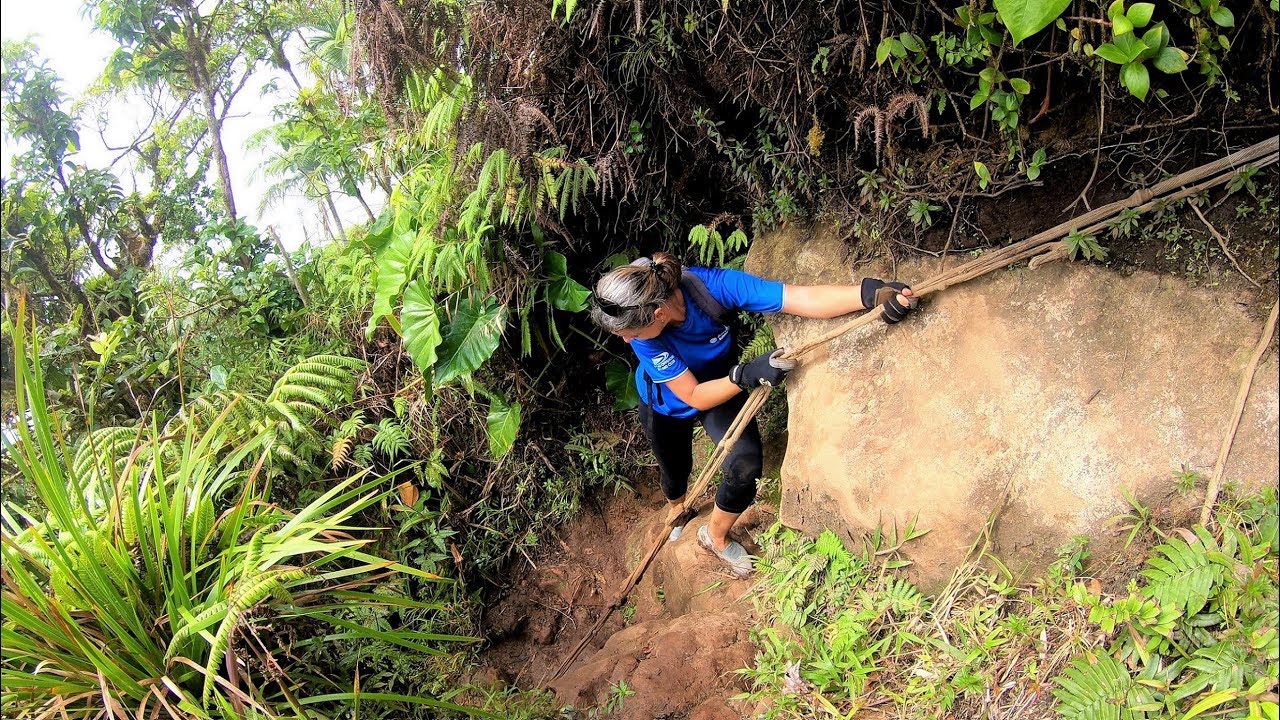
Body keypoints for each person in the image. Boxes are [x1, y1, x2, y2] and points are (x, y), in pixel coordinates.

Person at [589, 252, 916, 577]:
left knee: (745, 464)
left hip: (722, 389)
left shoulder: (711, 289)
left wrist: (870, 294)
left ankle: (714, 537)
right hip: (665, 405)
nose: (626, 340)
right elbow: (691, 395)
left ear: (659, 313)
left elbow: (795, 297)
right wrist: (743, 376)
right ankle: (678, 507)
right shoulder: (643, 333)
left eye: (628, 333)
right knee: (675, 472)